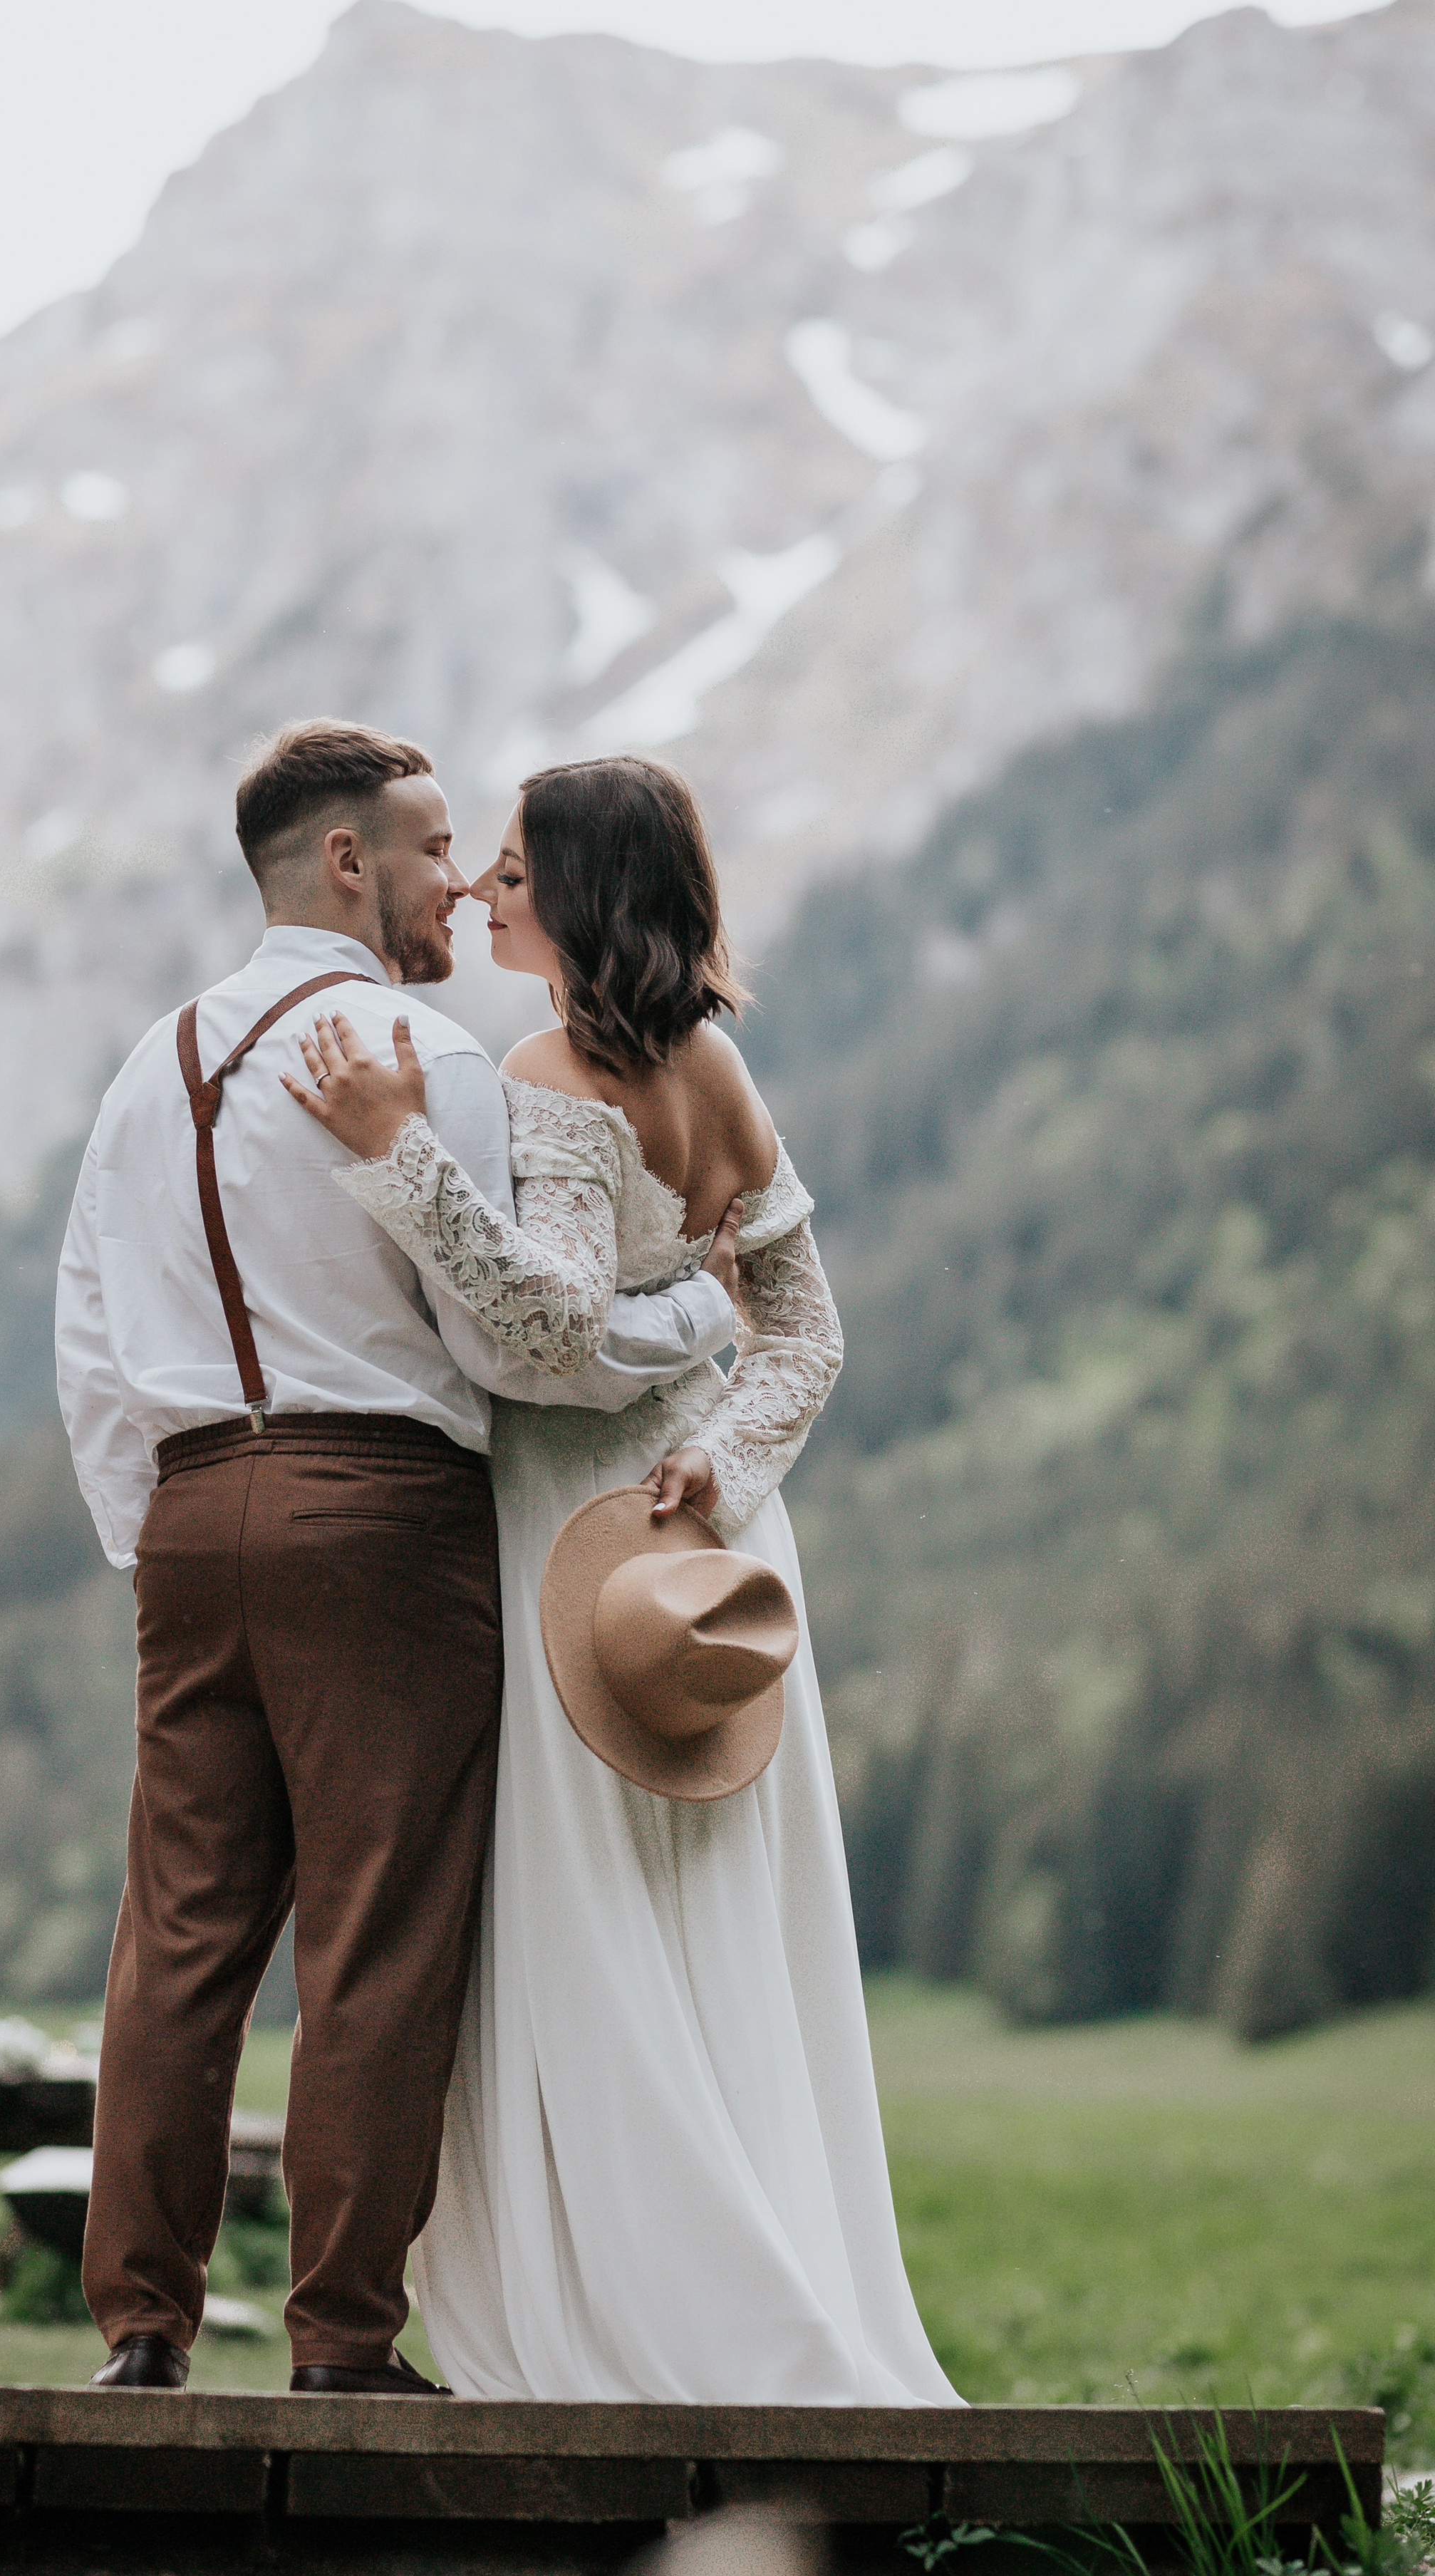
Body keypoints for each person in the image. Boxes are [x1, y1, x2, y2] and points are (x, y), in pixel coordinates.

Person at [55, 719, 735, 2391]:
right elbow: (522, 1347)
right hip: (379, 1521)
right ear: (347, 861)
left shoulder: (152, 1066)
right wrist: (697, 1308)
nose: (461, 879)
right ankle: (340, 2343)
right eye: (436, 847)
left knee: (180, 1932)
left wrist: (154, 1539)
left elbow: (88, 1341)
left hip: (189, 1519)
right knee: (378, 1929)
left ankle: (139, 2330)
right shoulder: (409, 1047)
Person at [285, 754, 960, 2404]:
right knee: (720, 1921)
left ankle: (650, 2316)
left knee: (581, 1915)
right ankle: (753, 2274)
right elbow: (805, 1330)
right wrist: (725, 1470)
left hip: (579, 1533)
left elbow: (546, 1333)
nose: (484, 893)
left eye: (514, 872)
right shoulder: (717, 1068)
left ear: (577, 896)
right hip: (718, 1554)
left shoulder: (545, 1065)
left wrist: (393, 1154)